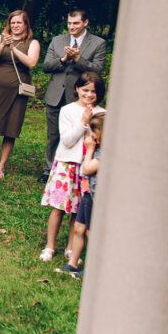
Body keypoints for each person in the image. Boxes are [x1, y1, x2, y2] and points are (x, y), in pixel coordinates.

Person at [39, 72, 106, 263]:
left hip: (88, 166)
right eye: (85, 90)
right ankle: (50, 246)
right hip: (67, 164)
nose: (89, 95)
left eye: (93, 91)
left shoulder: (103, 113)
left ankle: (71, 247)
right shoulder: (67, 110)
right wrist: (83, 122)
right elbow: (67, 140)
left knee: (78, 209)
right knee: (58, 207)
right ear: (77, 89)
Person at [41, 9, 107, 172]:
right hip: (56, 94)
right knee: (53, 134)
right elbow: (46, 66)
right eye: (69, 23)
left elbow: (97, 69)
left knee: (80, 132)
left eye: (76, 23)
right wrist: (63, 60)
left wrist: (78, 59)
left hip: (81, 96)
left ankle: (79, 166)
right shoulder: (57, 40)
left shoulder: (98, 43)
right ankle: (50, 169)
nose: (72, 27)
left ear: (85, 23)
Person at [0, 10, 41, 178]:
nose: (15, 26)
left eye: (19, 23)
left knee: (10, 128)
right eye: (13, 23)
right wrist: (3, 45)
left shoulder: (32, 42)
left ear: (25, 25)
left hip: (17, 91)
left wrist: (13, 48)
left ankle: (1, 166)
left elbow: (31, 63)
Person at [59, 112, 104, 279]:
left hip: (95, 198)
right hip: (87, 194)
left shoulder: (102, 153)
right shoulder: (98, 149)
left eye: (93, 132)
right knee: (79, 228)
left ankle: (93, 268)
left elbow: (87, 169)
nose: (90, 136)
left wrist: (91, 149)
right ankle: (73, 263)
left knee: (91, 233)